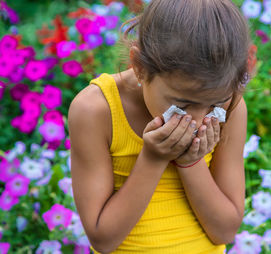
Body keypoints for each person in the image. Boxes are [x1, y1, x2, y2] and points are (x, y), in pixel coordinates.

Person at [68, 0, 252, 253]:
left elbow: (225, 231)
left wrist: (190, 162)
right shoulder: (96, 110)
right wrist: (153, 158)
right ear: (140, 67)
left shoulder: (231, 109)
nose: (198, 121)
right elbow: (104, 239)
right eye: (183, 104)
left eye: (214, 104)